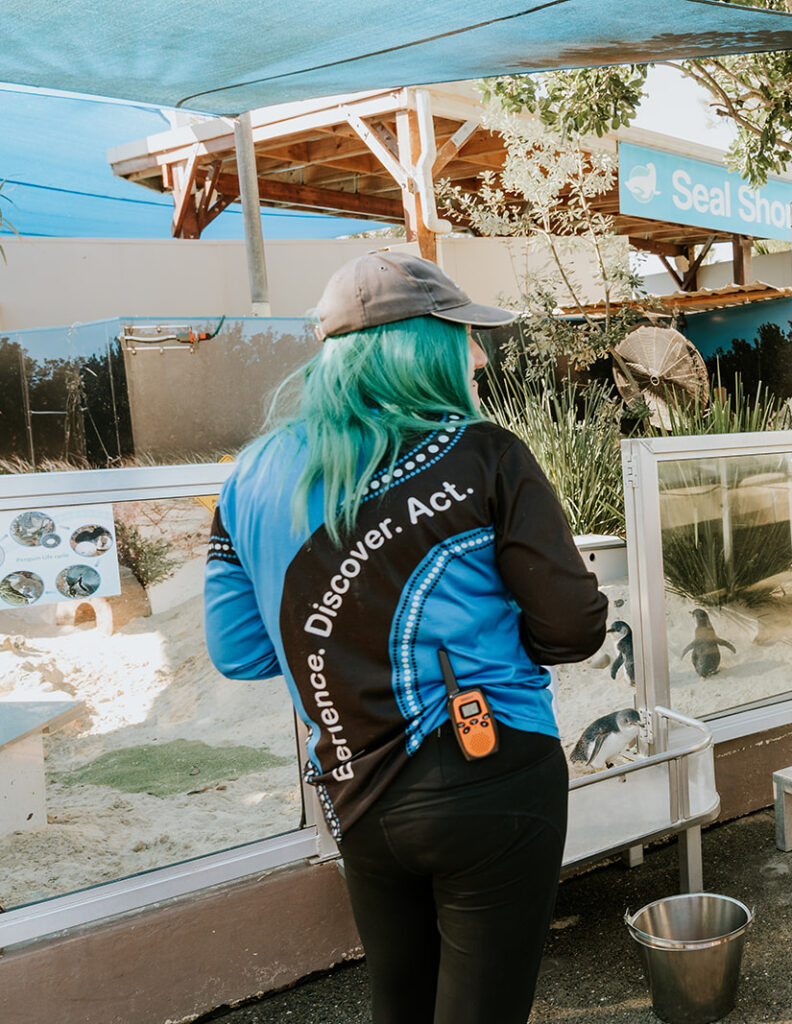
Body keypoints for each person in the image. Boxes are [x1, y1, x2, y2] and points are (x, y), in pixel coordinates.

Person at [203, 250, 608, 1024]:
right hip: (494, 770)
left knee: (403, 1004)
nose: (480, 354)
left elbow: (242, 652)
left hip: (356, 792)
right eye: (463, 333)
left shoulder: (249, 475)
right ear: (417, 344)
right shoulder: (488, 453)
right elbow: (574, 626)